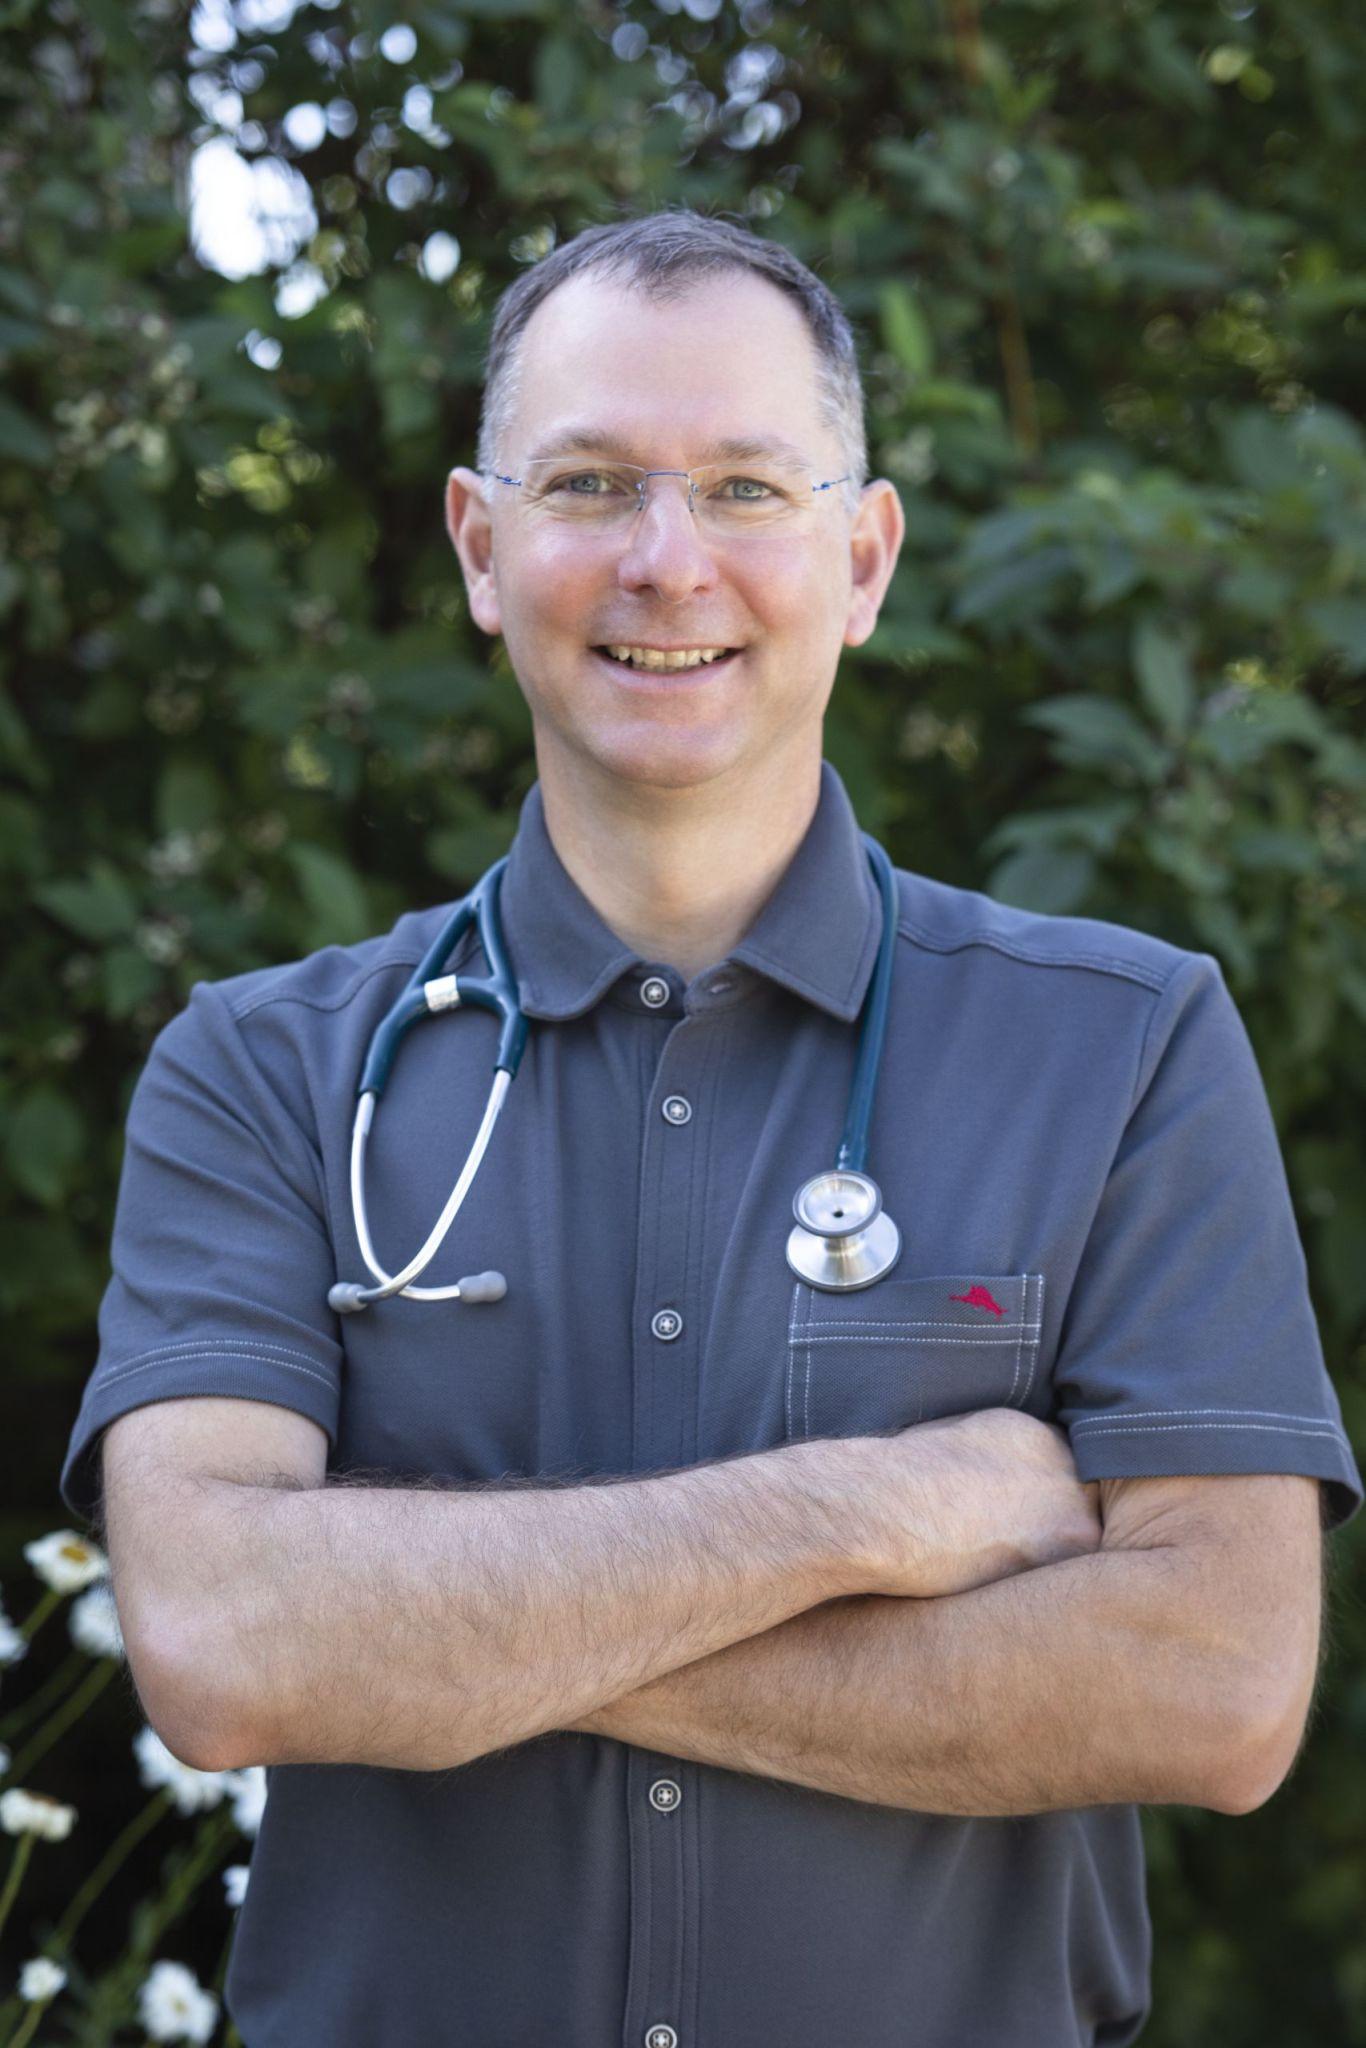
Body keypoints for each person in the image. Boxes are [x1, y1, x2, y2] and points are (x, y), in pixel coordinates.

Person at [61, 208, 1361, 2048]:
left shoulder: (1125, 1046)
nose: (666, 563)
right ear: (480, 547)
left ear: (863, 556)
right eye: (589, 481)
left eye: (747, 488)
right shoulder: (265, 1071)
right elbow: (223, 1648)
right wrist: (884, 1508)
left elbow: (1213, 1693)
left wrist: (446, 1642)